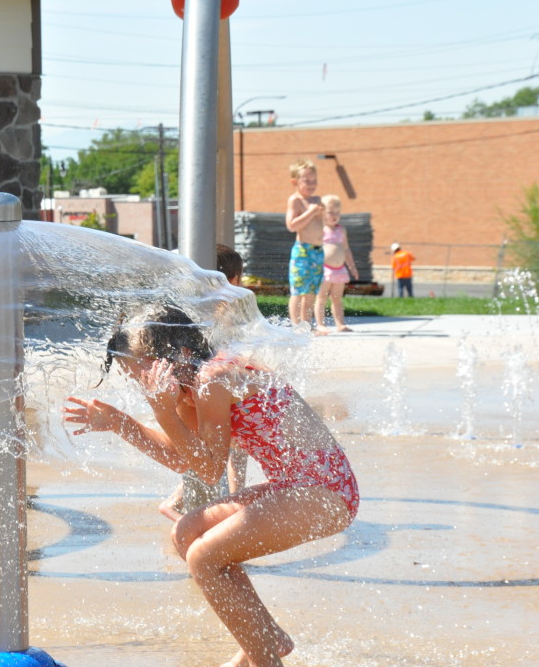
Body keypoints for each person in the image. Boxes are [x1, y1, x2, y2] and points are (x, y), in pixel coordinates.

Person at [64, 306, 359, 667]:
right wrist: (118, 422)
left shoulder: (213, 379)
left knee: (204, 558)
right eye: (132, 375)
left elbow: (208, 468)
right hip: (296, 485)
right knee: (187, 532)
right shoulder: (191, 389)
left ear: (180, 353)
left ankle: (266, 660)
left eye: (140, 370)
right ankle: (266, 639)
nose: (139, 381)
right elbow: (182, 459)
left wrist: (162, 412)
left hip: (325, 492)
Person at [159, 244, 247, 519]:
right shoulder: (225, 315)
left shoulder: (193, 312)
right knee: (228, 448)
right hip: (211, 394)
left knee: (205, 449)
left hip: (199, 394)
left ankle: (229, 499)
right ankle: (233, 500)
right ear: (231, 281)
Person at [284, 159, 325, 329]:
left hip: (318, 251)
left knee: (310, 292)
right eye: (306, 181)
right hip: (302, 252)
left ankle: (307, 325)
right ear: (295, 182)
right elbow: (292, 225)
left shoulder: (317, 199)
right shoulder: (296, 200)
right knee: (298, 291)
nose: (311, 184)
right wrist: (310, 212)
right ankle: (295, 325)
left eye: (314, 181)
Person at [314, 195, 358, 333]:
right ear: (322, 213)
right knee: (321, 297)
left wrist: (352, 266)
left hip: (340, 270)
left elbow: (346, 248)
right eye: (330, 212)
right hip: (325, 269)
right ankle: (320, 324)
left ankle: (340, 324)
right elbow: (315, 248)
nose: (335, 216)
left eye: (337, 212)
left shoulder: (341, 230)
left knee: (337, 298)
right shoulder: (320, 229)